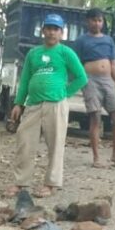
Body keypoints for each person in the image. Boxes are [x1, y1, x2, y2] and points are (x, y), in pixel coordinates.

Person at [9, 13, 88, 198]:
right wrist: (18, 103)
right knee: (25, 142)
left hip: (56, 105)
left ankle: (50, 184)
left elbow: (81, 77)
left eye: (56, 29)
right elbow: (26, 79)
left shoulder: (65, 52)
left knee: (55, 144)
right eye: (49, 28)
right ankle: (21, 183)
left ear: (61, 33)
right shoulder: (34, 53)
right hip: (33, 104)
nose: (52, 32)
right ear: (43, 30)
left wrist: (64, 93)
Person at [73, 8, 115, 169]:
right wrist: (79, 80)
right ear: (88, 21)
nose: (97, 23)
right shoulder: (82, 41)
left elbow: (113, 63)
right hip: (90, 80)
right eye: (94, 20)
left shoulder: (108, 40)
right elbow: (75, 62)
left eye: (100, 20)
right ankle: (96, 157)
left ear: (103, 23)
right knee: (95, 116)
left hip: (107, 80)